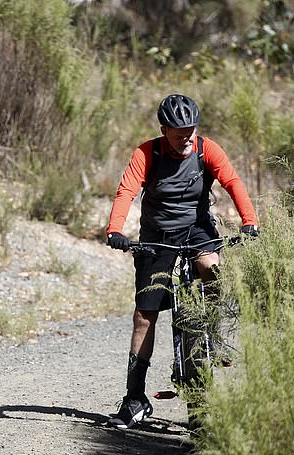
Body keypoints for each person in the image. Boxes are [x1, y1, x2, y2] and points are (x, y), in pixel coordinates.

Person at [105, 94, 259, 429]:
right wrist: (115, 229)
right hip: (158, 236)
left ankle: (212, 338)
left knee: (212, 270)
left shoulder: (207, 149)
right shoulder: (147, 153)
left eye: (190, 130)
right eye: (178, 132)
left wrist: (250, 221)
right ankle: (134, 399)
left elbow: (233, 182)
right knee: (144, 317)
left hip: (197, 230)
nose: (186, 137)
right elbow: (126, 191)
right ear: (164, 130)